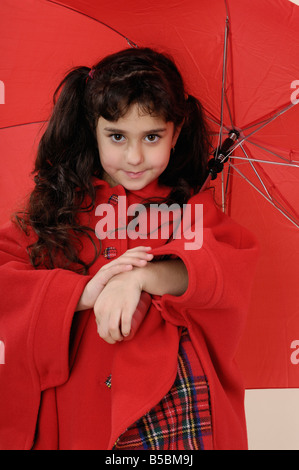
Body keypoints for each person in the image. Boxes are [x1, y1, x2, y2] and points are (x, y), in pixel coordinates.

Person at [0, 47, 258, 450]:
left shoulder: (191, 207)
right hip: (78, 412)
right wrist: (79, 294)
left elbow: (220, 270)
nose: (135, 157)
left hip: (174, 410)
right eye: (117, 136)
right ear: (93, 128)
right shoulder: (60, 211)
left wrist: (138, 278)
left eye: (152, 136)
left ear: (177, 129)